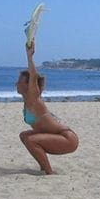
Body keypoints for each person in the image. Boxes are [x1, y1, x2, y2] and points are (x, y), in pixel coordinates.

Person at [17, 41, 79, 174]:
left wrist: (29, 56)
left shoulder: (33, 98)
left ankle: (49, 172)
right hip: (55, 136)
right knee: (24, 136)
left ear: (28, 86)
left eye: (20, 81)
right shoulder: (27, 100)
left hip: (67, 138)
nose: (16, 83)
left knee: (30, 140)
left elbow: (33, 77)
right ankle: (43, 167)